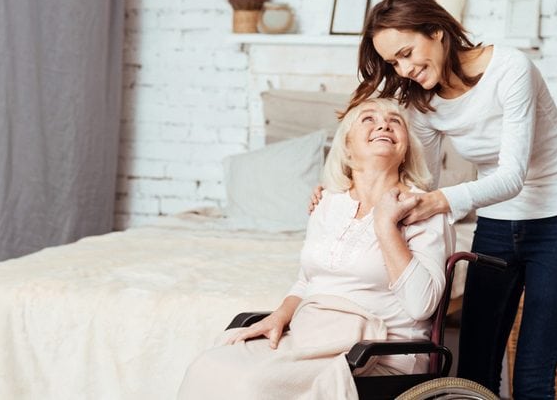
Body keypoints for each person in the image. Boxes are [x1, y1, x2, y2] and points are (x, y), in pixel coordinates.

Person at [331, 0, 557, 399]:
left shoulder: (511, 68)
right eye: (393, 62)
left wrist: (439, 201)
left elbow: (511, 178)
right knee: (473, 373)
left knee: (531, 380)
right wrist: (341, 192)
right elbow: (418, 183)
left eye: (406, 52)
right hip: (497, 224)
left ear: (436, 31)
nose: (404, 69)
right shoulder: (422, 103)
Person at [179, 98, 454, 400]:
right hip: (311, 336)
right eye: (368, 118)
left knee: (253, 386)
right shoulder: (327, 203)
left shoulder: (424, 208)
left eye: (395, 120)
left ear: (407, 148)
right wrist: (279, 316)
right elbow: (307, 280)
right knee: (208, 366)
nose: (383, 124)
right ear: (347, 147)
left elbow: (422, 304)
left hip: (377, 352)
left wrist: (386, 226)